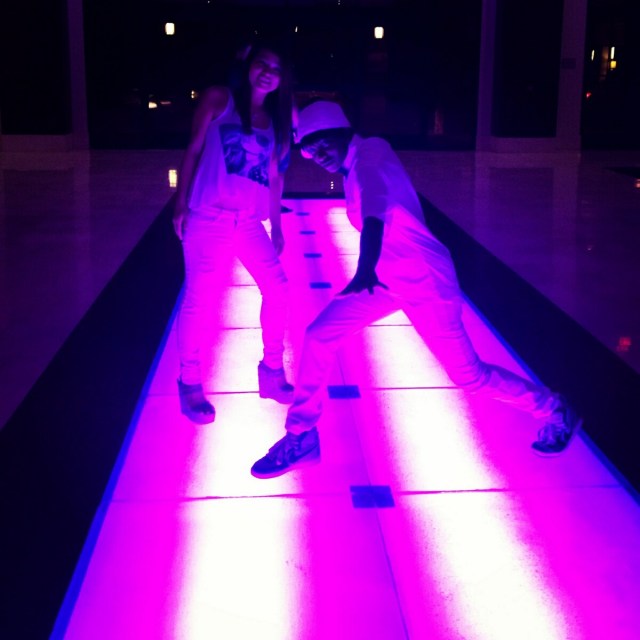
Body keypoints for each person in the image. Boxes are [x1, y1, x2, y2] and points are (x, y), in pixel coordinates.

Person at [250, 99, 583, 478]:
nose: (318, 154)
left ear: (342, 133)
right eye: (310, 150)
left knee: (469, 377)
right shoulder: (351, 167)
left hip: (425, 281)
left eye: (323, 143)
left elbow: (374, 212)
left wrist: (365, 266)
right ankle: (302, 434)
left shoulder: (370, 154)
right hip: (386, 279)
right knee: (319, 335)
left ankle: (555, 409)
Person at [173, 41, 296, 424]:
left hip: (248, 222)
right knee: (199, 299)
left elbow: (274, 178)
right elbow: (193, 151)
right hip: (207, 216)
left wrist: (277, 224)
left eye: (276, 68)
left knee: (279, 288)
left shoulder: (274, 122)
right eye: (263, 63)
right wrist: (180, 203)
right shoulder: (219, 99)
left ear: (282, 79)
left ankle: (272, 371)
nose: (268, 73)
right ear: (248, 65)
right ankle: (189, 381)